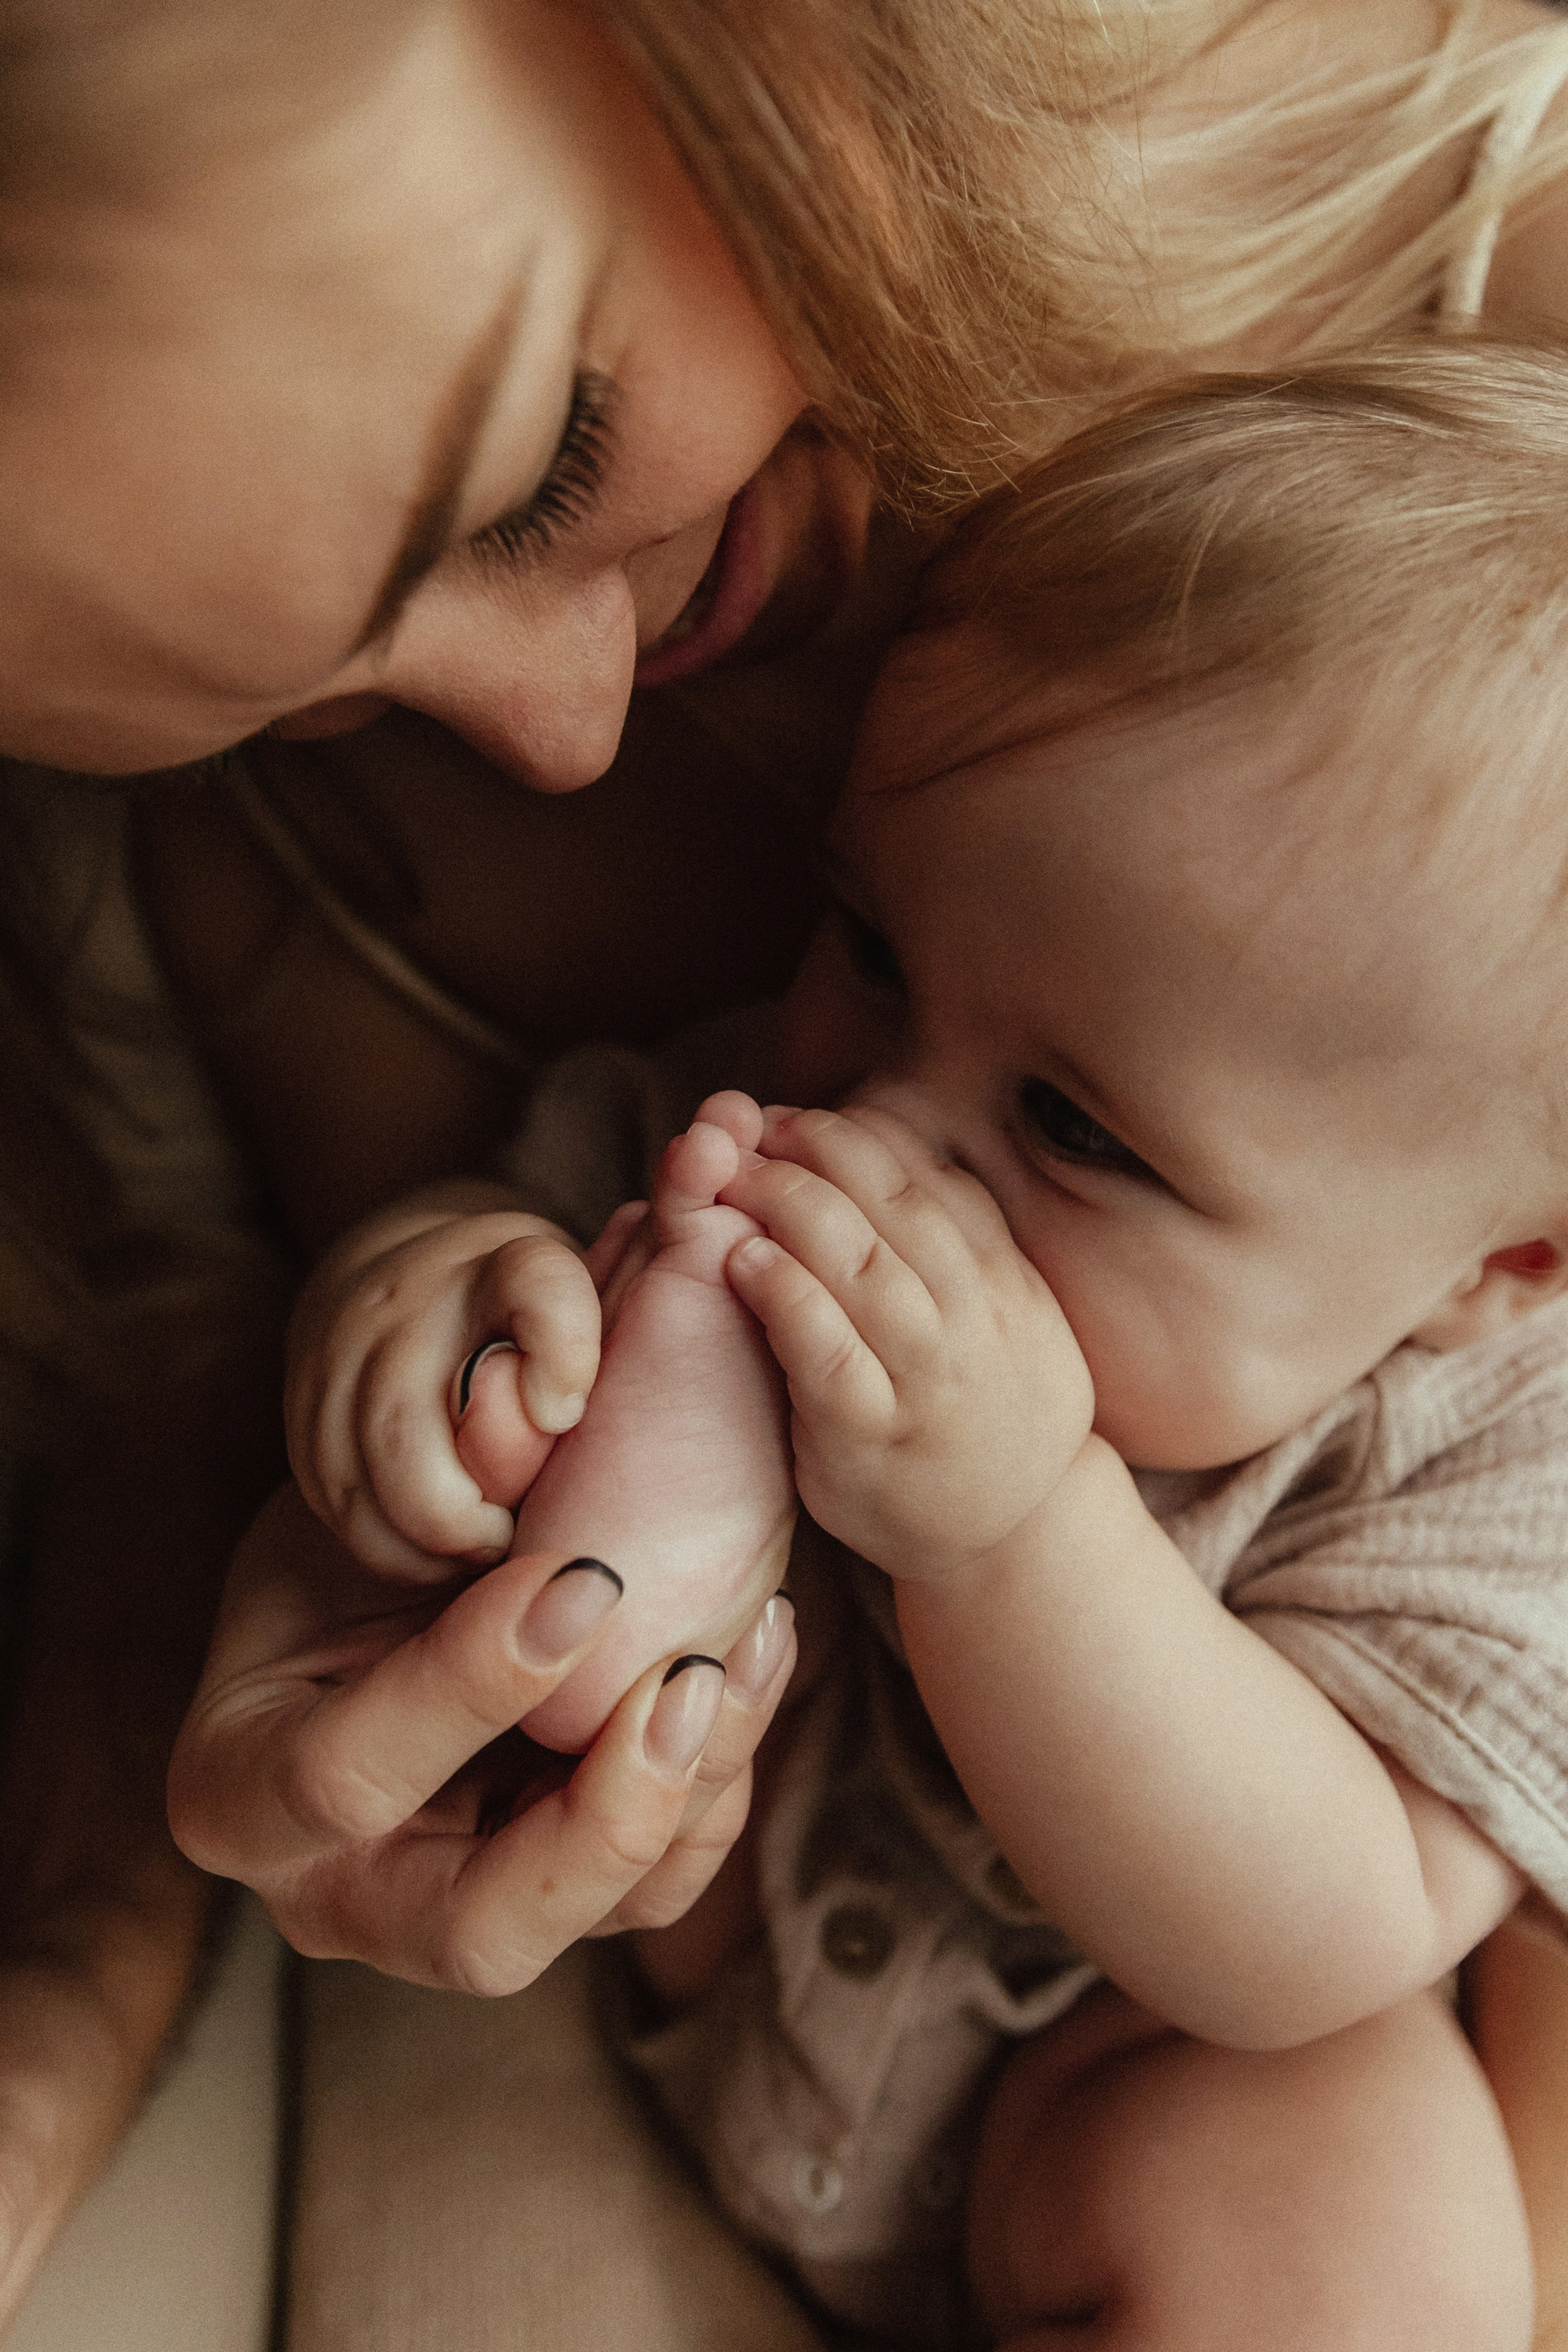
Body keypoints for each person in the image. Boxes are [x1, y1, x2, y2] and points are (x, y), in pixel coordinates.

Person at [9, 0, 1568, 2331]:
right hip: (718, 1977)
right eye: (865, 943)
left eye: (1077, 1131)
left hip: (1131, 2071)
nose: (875, 1129)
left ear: (1496, 1270)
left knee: (1350, 2209)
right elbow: (459, 1237)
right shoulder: (731, 1097)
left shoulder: (1477, 1446)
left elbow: (1324, 1932)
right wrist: (423, 1337)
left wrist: (1017, 1528)